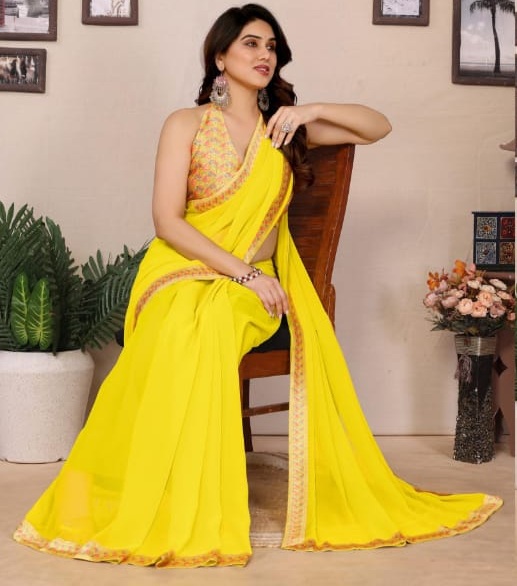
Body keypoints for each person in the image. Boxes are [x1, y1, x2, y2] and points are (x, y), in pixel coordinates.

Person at [13, 3, 501, 569]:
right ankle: (167, 483)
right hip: (184, 269)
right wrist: (239, 271)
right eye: (250, 43)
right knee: (182, 323)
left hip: (258, 285)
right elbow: (167, 221)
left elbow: (378, 126)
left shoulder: (284, 129)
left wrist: (309, 109)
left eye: (271, 46)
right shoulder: (186, 124)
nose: (264, 54)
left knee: (218, 321)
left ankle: (192, 481)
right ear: (220, 57)